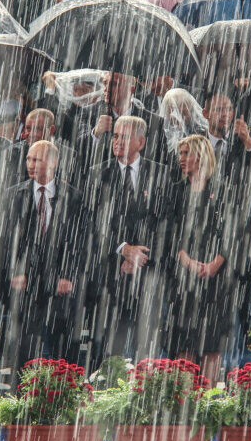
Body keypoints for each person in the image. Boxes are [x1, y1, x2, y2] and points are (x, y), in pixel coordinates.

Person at [0, 140, 89, 370]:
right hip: (26, 290)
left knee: (64, 357)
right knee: (24, 354)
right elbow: (5, 241)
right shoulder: (12, 196)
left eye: (37, 159)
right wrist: (16, 271)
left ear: (54, 162)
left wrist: (67, 275)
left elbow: (81, 242)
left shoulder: (74, 197)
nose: (31, 164)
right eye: (28, 159)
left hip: (61, 290)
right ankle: (22, 401)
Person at [86, 116, 169, 362]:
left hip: (149, 275)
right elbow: (95, 222)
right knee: (115, 351)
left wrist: (140, 255)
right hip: (113, 275)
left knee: (148, 349)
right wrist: (123, 249)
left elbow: (165, 223)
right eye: (115, 136)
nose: (117, 142)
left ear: (141, 142)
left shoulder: (160, 174)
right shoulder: (98, 174)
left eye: (124, 137)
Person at [163, 134, 236, 382]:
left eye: (186, 153)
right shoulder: (175, 191)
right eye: (180, 153)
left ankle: (208, 402)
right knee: (184, 342)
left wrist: (215, 263)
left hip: (216, 283)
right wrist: (188, 261)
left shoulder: (224, 191)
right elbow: (169, 233)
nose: (181, 159)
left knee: (212, 346)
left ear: (201, 156)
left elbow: (231, 233)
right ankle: (183, 404)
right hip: (184, 281)